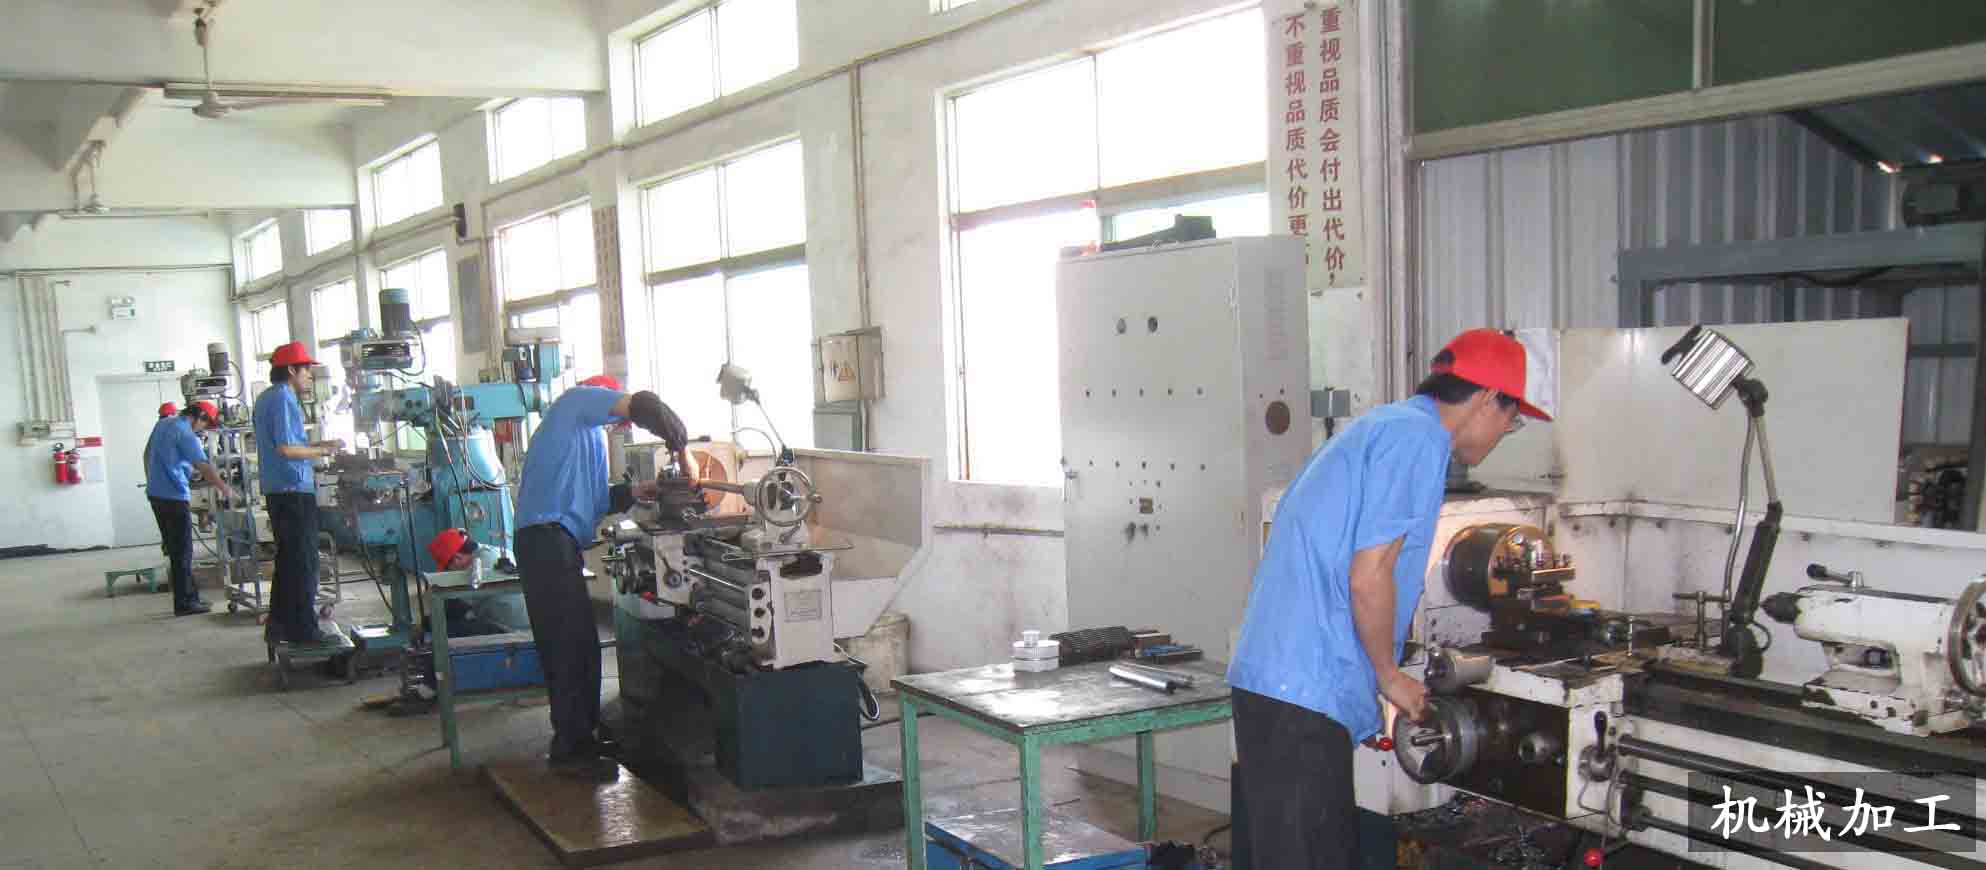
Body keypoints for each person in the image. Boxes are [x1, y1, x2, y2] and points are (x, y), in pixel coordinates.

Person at [1227, 328, 1554, 869]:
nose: (1504, 432)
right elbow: (1369, 575)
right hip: (1302, 691)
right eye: (1511, 418)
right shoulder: (1418, 440)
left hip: (1282, 683)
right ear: (1487, 398)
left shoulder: (1385, 427)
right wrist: (1388, 675)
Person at [514, 376, 689, 774]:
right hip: (544, 540)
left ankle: (584, 735)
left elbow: (596, 501)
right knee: (566, 647)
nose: (617, 423)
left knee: (582, 646)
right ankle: (571, 749)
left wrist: (638, 491)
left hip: (558, 542)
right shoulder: (575, 402)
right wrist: (675, 437)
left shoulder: (588, 438)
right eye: (617, 416)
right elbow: (642, 406)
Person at [253, 341, 344, 645]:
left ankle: (278, 625)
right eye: (306, 370)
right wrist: (323, 451)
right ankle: (304, 630)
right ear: (291, 370)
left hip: (280, 489)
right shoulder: (283, 397)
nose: (309, 376)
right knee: (304, 562)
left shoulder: (269, 397)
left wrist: (320, 446)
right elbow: (286, 449)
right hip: (292, 490)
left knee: (288, 562)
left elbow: (288, 445)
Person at [144, 401, 236, 615]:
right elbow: (204, 467)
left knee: (175, 550)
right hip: (174, 496)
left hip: (156, 493)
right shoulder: (186, 434)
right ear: (200, 416)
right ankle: (185, 603)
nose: (203, 429)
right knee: (183, 552)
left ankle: (189, 597)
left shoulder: (163, 424)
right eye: (205, 423)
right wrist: (225, 489)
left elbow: (148, 454)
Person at [426, 527, 514, 575]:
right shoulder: (490, 551)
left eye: (447, 568)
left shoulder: (480, 567)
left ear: (457, 558)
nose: (450, 571)